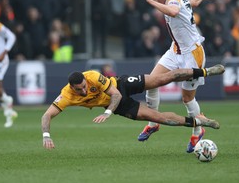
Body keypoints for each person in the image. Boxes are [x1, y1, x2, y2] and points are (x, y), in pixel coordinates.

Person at [42, 64, 225, 150]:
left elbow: (116, 94)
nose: (83, 90)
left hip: (120, 86)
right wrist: (46, 135)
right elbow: (47, 115)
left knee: (161, 79)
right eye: (79, 89)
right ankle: (199, 122)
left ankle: (206, 72)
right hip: (119, 106)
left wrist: (107, 113)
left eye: (84, 86)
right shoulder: (66, 95)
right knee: (157, 117)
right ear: (71, 87)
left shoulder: (91, 76)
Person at [138, 0, 217, 153]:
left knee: (187, 98)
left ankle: (198, 130)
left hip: (192, 54)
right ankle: (153, 123)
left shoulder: (172, 0)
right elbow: (192, 2)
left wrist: (151, 2)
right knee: (150, 83)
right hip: (175, 50)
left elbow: (174, 11)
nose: (157, 1)